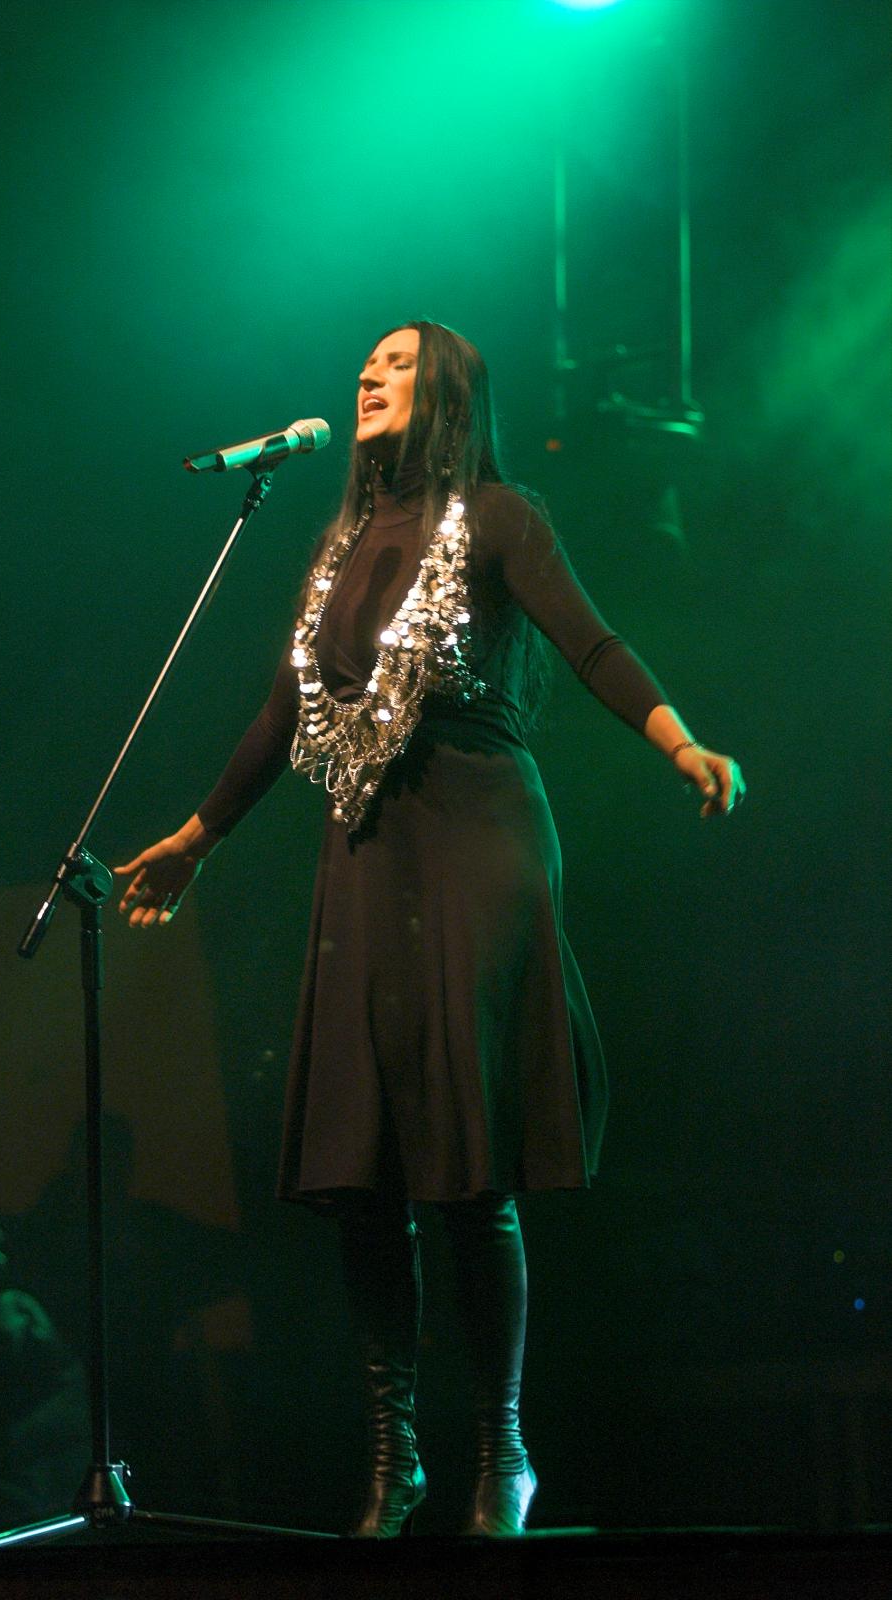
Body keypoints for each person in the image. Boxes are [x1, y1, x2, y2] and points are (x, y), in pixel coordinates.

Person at [115, 321, 745, 1538]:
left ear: (449, 389)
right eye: (365, 363)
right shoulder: (338, 542)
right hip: (365, 847)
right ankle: (392, 1451)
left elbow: (590, 640)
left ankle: (501, 1449)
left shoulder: (500, 515)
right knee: (362, 1169)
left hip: (478, 832)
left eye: (398, 362)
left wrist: (677, 742)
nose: (370, 374)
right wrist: (197, 835)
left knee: (465, 1164)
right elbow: (284, 707)